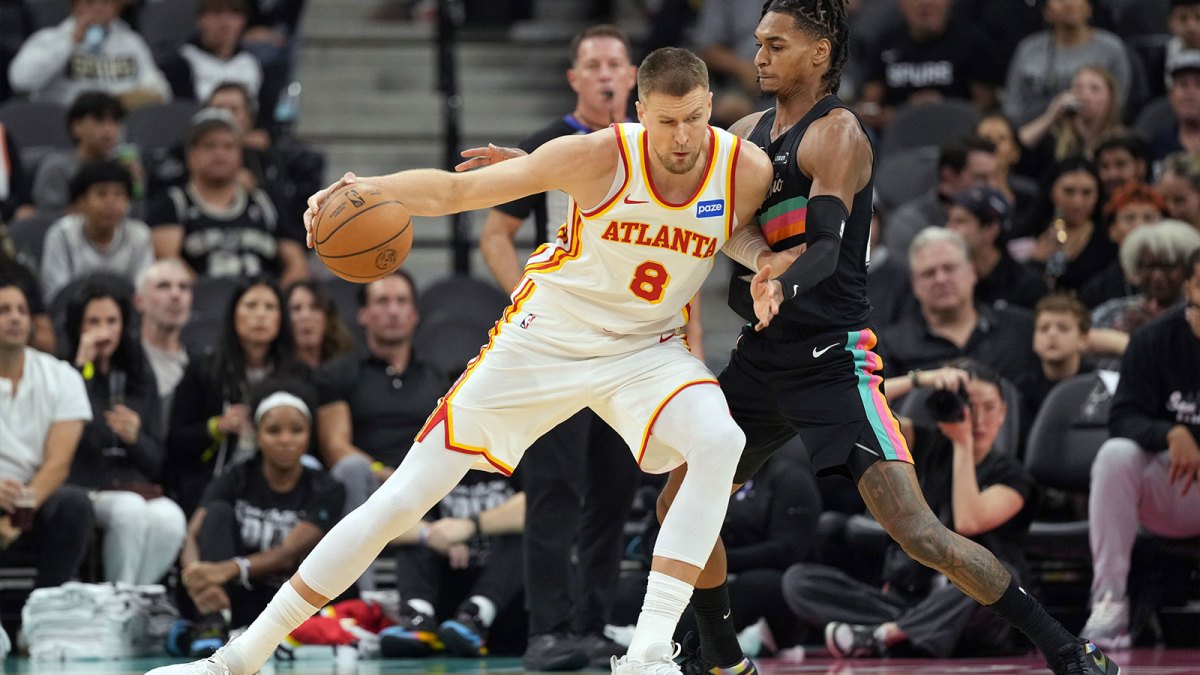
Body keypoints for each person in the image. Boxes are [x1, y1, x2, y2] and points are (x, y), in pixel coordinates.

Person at [147, 45, 778, 675]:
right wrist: (366, 188)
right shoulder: (597, 156)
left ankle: (647, 651)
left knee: (721, 440)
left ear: (711, 109)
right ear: (641, 113)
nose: (682, 136)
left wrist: (766, 260)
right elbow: (460, 191)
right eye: (666, 121)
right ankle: (238, 659)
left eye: (694, 118)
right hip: (546, 339)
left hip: (646, 348)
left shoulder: (742, 170)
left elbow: (735, 232)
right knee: (401, 500)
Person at [652, 5, 1119, 675]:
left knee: (921, 532)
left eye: (775, 45)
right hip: (763, 358)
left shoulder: (839, 134)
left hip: (832, 360)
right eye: (757, 44)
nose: (757, 57)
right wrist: (761, 261)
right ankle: (723, 659)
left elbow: (826, 246)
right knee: (677, 503)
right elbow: (718, 223)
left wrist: (782, 280)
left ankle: (1065, 645)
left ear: (819, 54)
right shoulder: (744, 131)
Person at [470, 24, 644, 670]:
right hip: (559, 343)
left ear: (631, 77)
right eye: (592, 63)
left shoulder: (651, 149)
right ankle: (547, 630)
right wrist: (531, 306)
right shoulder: (548, 144)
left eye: (615, 63)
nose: (604, 73)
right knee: (555, 486)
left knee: (613, 489)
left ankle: (592, 625)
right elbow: (494, 235)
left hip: (630, 346)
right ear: (575, 78)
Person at [784, 362, 1034, 660]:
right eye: (969, 406)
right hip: (915, 599)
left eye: (989, 407)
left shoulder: (1014, 477)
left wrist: (963, 445)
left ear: (1004, 412)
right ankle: (906, 631)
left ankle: (886, 634)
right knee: (799, 581)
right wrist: (921, 380)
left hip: (974, 611)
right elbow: (856, 404)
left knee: (995, 576)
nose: (977, 418)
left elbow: (968, 522)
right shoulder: (925, 443)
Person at [1082, 248, 1200, 649]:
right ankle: (1111, 601)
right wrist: (1171, 434)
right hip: (1176, 488)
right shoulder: (1153, 341)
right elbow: (1124, 417)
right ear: (1190, 287)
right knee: (1116, 455)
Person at [178, 384, 344, 658]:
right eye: (273, 430)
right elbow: (192, 534)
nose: (285, 440)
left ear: (308, 436)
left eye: (296, 430)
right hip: (237, 595)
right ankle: (213, 621)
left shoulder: (327, 488)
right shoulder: (237, 476)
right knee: (218, 511)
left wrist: (229, 569)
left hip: (290, 597)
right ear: (257, 435)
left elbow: (288, 554)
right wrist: (198, 578)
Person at [63, 281, 186, 584]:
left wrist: (135, 440)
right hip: (86, 486)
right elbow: (76, 437)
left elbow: (156, 458)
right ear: (78, 326)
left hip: (135, 485)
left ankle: (133, 601)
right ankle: (118, 597)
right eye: (93, 321)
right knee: (129, 512)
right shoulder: (66, 373)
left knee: (170, 518)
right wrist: (84, 366)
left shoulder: (139, 374)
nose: (103, 330)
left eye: (111, 321)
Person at [164, 277, 300, 517]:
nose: (260, 315)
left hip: (279, 481)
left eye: (270, 307)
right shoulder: (204, 369)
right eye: (251, 306)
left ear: (282, 319)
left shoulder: (296, 374)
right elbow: (176, 440)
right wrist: (217, 426)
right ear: (233, 315)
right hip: (216, 480)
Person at [0, 280, 94, 589]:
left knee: (75, 504)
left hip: (34, 495)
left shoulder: (62, 377)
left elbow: (58, 463)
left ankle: (45, 611)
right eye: (4, 310)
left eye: (22, 311)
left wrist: (20, 512)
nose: (15, 318)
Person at [146, 108, 307, 285]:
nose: (219, 154)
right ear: (191, 155)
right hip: (200, 308)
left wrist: (273, 301)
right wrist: (214, 298)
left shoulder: (266, 202)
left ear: (240, 155)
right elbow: (168, 263)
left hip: (261, 306)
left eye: (228, 146)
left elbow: (297, 263)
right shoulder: (172, 204)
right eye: (209, 146)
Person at [380, 464, 526, 658]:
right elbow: (384, 519)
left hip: (505, 597)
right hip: (449, 589)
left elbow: (540, 506)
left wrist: (471, 526)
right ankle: (418, 618)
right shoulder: (433, 454)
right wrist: (433, 535)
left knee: (526, 536)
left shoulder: (517, 449)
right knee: (414, 539)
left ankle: (476, 615)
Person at [884, 227, 1039, 387]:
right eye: (929, 273)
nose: (941, 279)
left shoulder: (1021, 329)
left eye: (950, 268)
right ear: (914, 285)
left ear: (972, 271)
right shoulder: (892, 347)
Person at [856, 0, 1001, 132]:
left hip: (958, 133)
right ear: (901, 4)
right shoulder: (885, 43)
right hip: (897, 135)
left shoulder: (972, 41)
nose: (925, 3)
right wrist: (899, 113)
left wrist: (943, 107)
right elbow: (870, 104)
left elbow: (984, 105)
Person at [6, 0, 170, 108]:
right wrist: (70, 42)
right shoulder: (50, 39)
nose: (98, 8)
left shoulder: (131, 43)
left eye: (105, 2)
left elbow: (161, 92)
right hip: (66, 129)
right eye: (90, 2)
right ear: (75, 6)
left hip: (118, 129)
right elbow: (21, 81)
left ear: (114, 8)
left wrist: (128, 99)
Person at [40, 160, 155, 304]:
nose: (111, 203)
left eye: (119, 194)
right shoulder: (61, 235)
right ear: (81, 202)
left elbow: (144, 294)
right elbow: (56, 296)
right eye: (101, 194)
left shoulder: (139, 236)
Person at [1003, 0, 1131, 126]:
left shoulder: (1111, 48)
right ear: (1046, 11)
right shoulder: (1028, 49)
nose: (1069, 3)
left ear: (1088, 6)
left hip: (1093, 132)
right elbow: (1013, 105)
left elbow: (1118, 104)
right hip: (1034, 132)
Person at [883, 135, 997, 259]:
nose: (992, 186)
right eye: (981, 178)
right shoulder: (909, 224)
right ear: (949, 176)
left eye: (994, 176)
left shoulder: (997, 218)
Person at [31, 90, 140, 212]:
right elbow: (47, 218)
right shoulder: (57, 167)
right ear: (77, 126)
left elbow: (136, 216)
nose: (109, 130)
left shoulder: (122, 167)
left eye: (115, 121)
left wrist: (136, 185)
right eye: (99, 120)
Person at [944, 185, 1048, 311]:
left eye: (961, 221)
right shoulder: (945, 280)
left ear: (991, 229)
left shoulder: (1027, 285)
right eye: (950, 220)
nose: (949, 229)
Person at [1092, 220, 1200, 334]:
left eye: (1168, 266)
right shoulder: (1115, 313)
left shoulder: (1194, 316)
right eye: (1149, 267)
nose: (1157, 276)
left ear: (1186, 269)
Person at [1017, 66, 1124, 167]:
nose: (1085, 96)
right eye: (1078, 87)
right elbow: (1018, 146)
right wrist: (1050, 117)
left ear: (1111, 98)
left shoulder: (1120, 142)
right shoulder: (1056, 135)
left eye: (1095, 89)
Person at [160, 0, 263, 104]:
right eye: (217, 13)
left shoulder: (253, 63)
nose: (225, 23)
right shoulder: (180, 64)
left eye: (234, 13)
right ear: (200, 19)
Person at [1081, 182, 1165, 308]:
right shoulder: (1096, 290)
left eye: (1148, 218)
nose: (1140, 226)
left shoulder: (1177, 280)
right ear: (1112, 231)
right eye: (1130, 218)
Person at [135, 259, 194, 430]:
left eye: (184, 287)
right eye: (163, 286)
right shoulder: (122, 359)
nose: (176, 295)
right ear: (139, 301)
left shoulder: (201, 364)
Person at [1017, 293, 1094, 424]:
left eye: (1063, 328)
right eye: (1044, 328)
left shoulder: (1098, 386)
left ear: (1083, 339)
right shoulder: (1021, 391)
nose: (1052, 334)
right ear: (1034, 340)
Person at [285, 279, 354, 370]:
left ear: (328, 316)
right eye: (296, 308)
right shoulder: (275, 374)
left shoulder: (349, 367)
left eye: (315, 307)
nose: (306, 316)